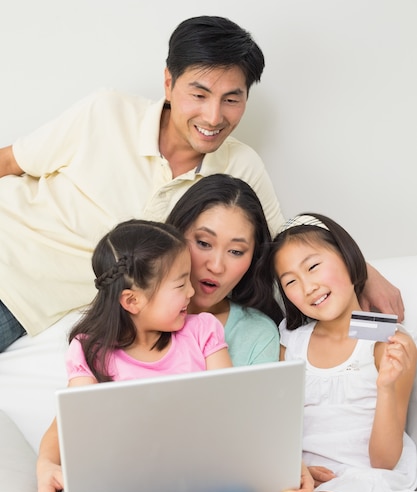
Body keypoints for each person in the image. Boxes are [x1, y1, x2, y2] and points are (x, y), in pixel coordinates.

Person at [0, 16, 404, 353]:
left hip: (20, 303)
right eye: (199, 93)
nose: (214, 117)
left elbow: (285, 239)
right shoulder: (107, 112)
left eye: (232, 98)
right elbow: (10, 161)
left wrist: (364, 271)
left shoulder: (239, 166)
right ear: (168, 84)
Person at [139, 212, 417, 492]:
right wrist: (291, 471)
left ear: (348, 259)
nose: (307, 287)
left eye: (314, 267)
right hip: (304, 476)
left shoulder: (386, 342)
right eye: (289, 281)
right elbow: (272, 424)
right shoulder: (290, 341)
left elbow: (383, 458)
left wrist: (387, 387)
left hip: (363, 476)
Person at [38, 218, 278, 492]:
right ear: (132, 301)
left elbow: (228, 408)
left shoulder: (201, 331)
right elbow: (81, 427)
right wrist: (47, 463)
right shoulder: (91, 351)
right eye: (180, 283)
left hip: (206, 484)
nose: (192, 290)